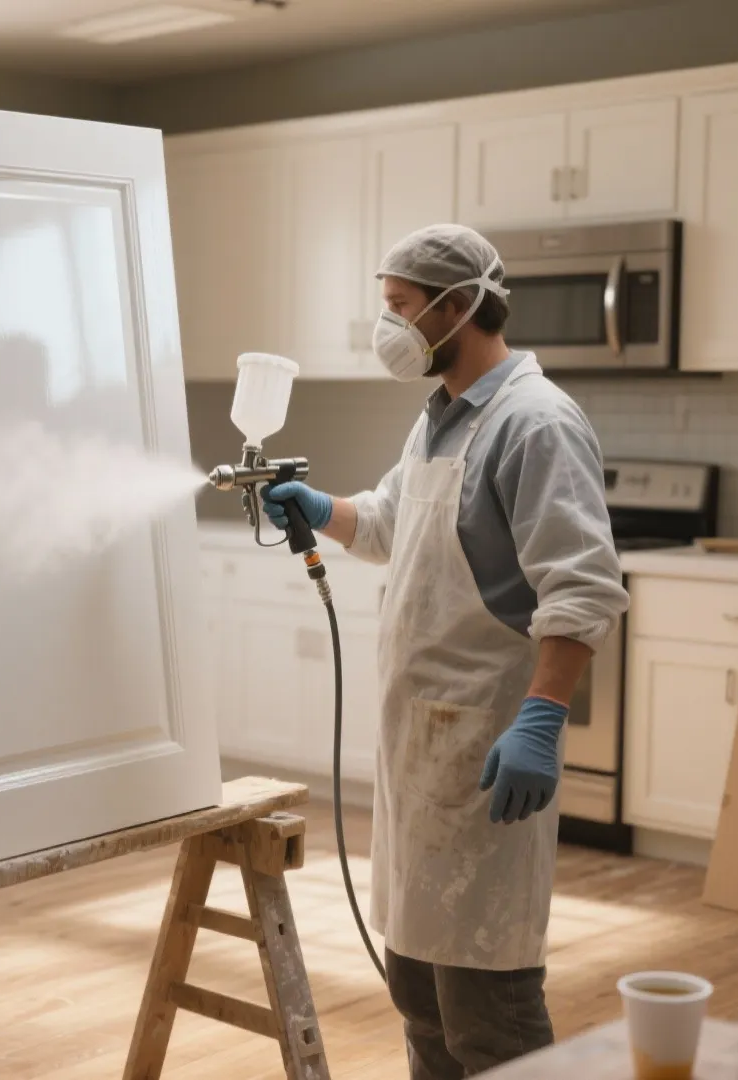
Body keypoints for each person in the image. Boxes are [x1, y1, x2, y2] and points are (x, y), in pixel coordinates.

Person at [263, 224, 628, 1079]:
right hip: (421, 753)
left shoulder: (535, 423)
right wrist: (321, 508)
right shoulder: (441, 417)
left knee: (488, 1009)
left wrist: (542, 717)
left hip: (486, 750)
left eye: (399, 307)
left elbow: (582, 588)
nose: (386, 326)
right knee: (419, 997)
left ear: (457, 306)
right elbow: (390, 523)